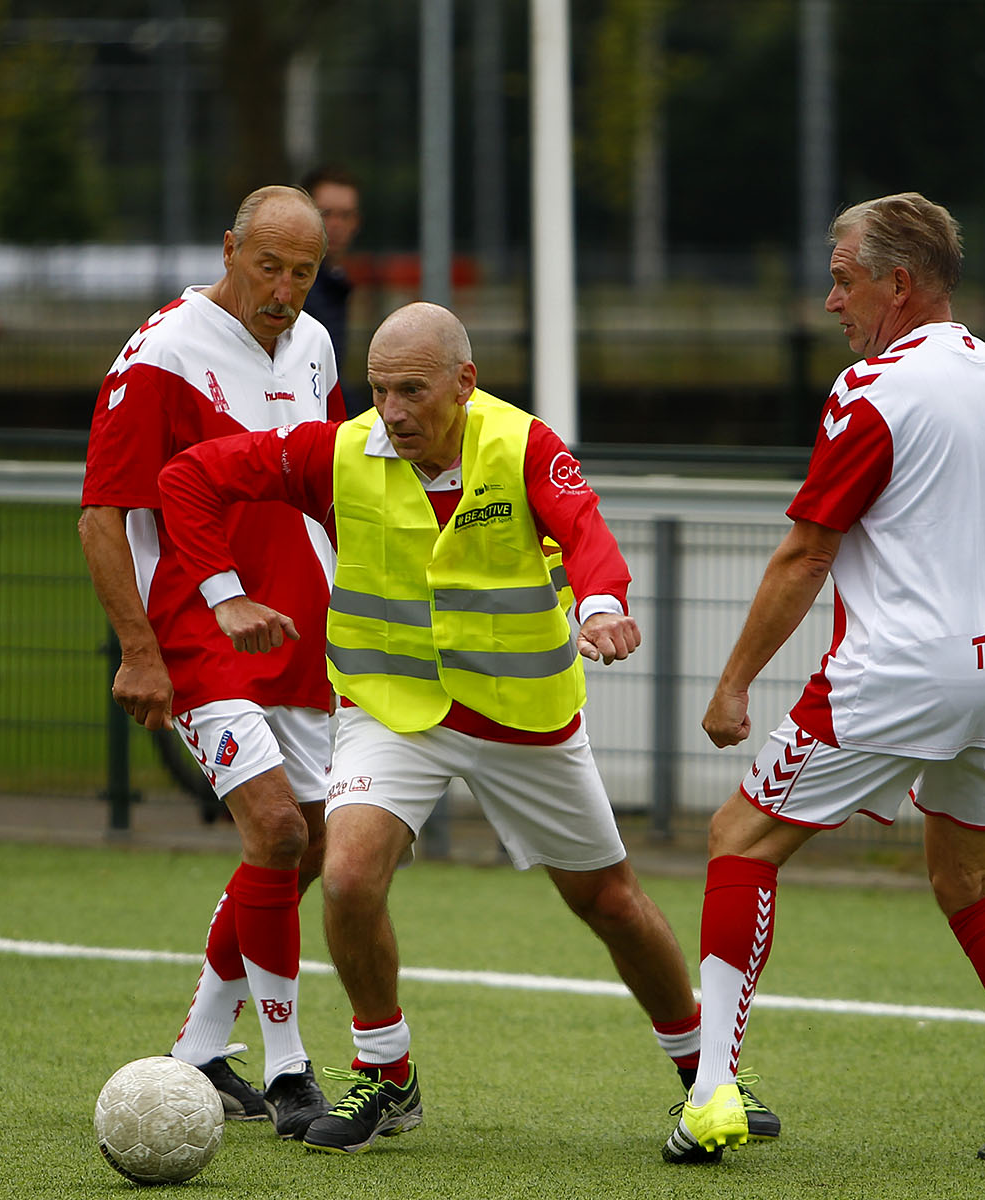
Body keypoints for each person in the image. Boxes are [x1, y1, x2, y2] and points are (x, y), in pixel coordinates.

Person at [155, 301, 779, 1156]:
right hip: (393, 708)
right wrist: (224, 596)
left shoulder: (523, 445)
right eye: (378, 390)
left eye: (412, 390)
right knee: (345, 876)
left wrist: (602, 606)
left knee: (610, 900)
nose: (393, 411)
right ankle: (386, 1071)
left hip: (522, 715)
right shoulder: (337, 451)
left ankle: (705, 1074)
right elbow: (187, 477)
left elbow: (586, 532)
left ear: (465, 382)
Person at [661, 193, 985, 1168]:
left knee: (738, 840)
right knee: (967, 881)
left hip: (904, 670)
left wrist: (733, 683)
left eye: (843, 276)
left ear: (898, 284)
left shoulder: (875, 389)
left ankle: (712, 1095)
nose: (831, 300)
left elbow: (803, 555)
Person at [78, 184, 343, 1140]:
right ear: (229, 247)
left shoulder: (314, 344)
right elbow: (102, 512)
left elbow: (329, 481)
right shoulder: (162, 352)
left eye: (302, 272)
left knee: (302, 846)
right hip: (200, 628)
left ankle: (197, 1045)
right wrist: (139, 650)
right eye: (267, 266)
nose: (282, 289)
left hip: (301, 633)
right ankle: (289, 1070)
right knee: (275, 831)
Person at [298, 164, 361, 378]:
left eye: (345, 216)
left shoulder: (335, 283)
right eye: (326, 214)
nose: (335, 225)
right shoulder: (296, 289)